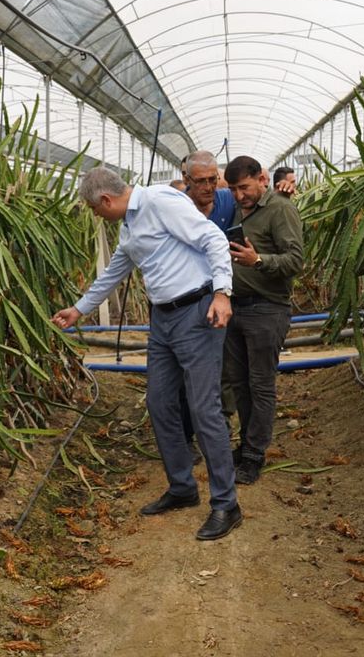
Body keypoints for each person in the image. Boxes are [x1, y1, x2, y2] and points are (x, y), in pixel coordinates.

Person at [52, 167, 242, 540]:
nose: (96, 215)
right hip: (163, 320)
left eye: (94, 209)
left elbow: (213, 239)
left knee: (204, 408)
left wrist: (222, 292)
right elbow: (114, 272)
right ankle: (182, 487)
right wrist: (79, 309)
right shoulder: (129, 225)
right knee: (159, 401)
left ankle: (226, 503)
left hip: (196, 311)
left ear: (105, 200)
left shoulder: (159, 201)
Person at [222, 155, 304, 485]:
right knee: (240, 383)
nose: (239, 195)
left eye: (244, 187)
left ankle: (255, 455)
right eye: (233, 189)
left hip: (267, 309)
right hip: (235, 308)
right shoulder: (234, 209)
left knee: (260, 384)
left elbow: (295, 260)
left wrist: (257, 261)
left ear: (261, 179)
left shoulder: (280, 208)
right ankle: (246, 445)